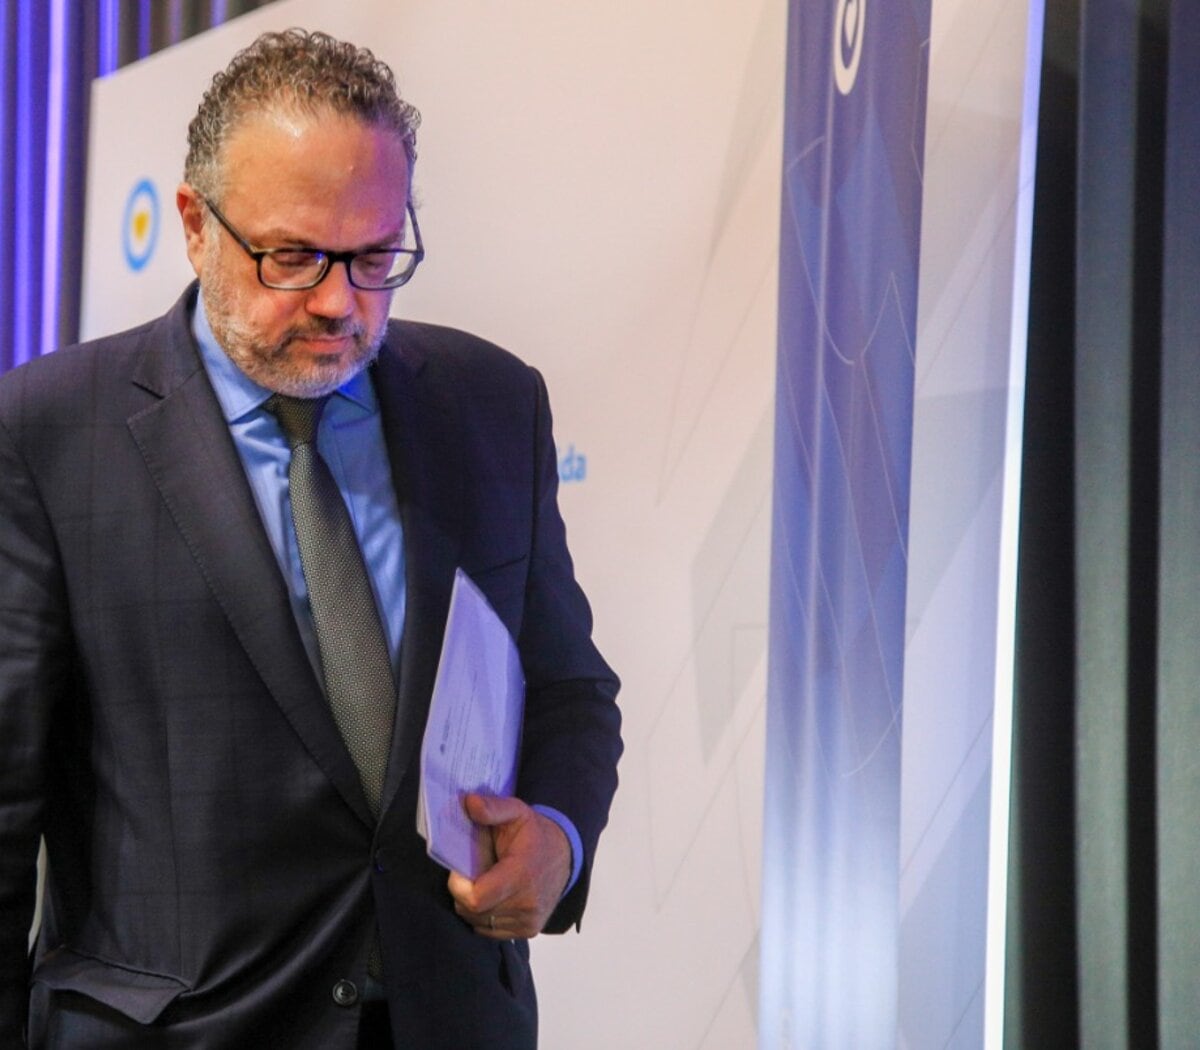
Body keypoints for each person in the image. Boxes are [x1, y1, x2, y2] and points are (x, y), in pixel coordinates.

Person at [0, 28, 621, 1050]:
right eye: (292, 257)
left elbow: (566, 688)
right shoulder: (50, 433)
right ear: (195, 225)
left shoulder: (491, 403)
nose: (340, 303)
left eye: (376, 257)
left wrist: (557, 836)